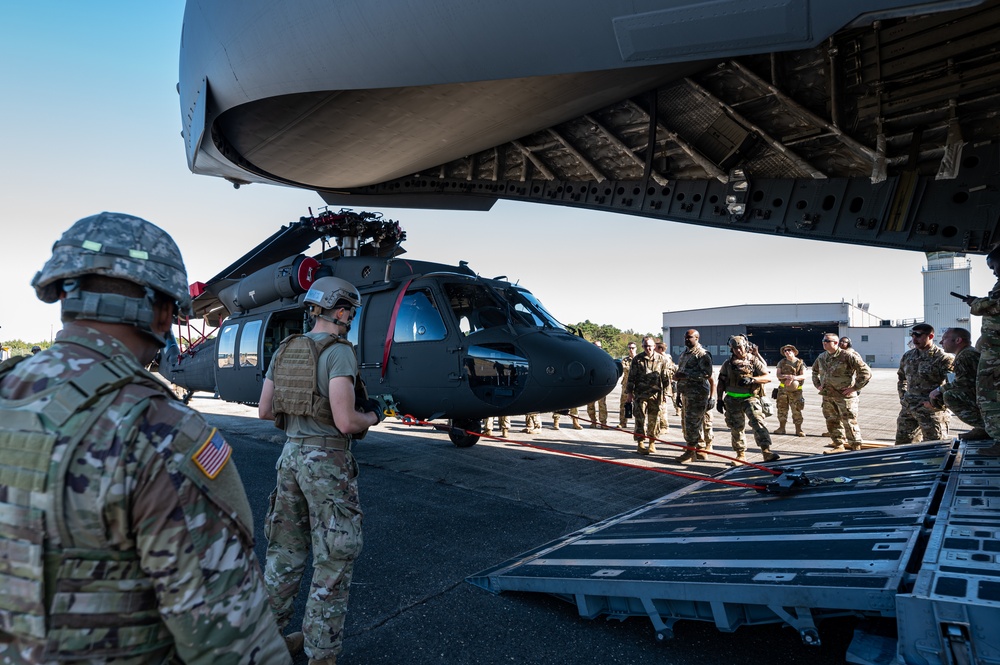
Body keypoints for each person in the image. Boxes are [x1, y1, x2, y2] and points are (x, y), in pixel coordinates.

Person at [0, 212, 289, 663]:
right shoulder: (158, 428)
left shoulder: (9, 390)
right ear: (159, 310)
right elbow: (229, 641)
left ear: (64, 296)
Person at [259, 275, 384, 665]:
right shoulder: (339, 351)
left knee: (283, 554)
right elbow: (346, 422)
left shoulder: (286, 349)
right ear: (342, 310)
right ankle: (321, 654)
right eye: (350, 312)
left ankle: (264, 644)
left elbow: (265, 411)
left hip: (290, 458)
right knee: (333, 559)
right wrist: (374, 415)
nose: (350, 318)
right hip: (326, 462)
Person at [716, 335, 780, 465]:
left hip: (750, 398)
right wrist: (719, 399)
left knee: (758, 423)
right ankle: (740, 455)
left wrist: (753, 379)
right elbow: (721, 382)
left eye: (740, 347)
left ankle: (766, 452)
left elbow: (767, 377)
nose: (738, 351)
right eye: (735, 349)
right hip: (732, 400)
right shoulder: (727, 364)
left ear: (745, 346)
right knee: (736, 427)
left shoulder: (754, 361)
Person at [962, 245, 1000, 455]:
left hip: (996, 354)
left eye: (994, 266)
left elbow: (993, 305)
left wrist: (977, 303)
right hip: (993, 350)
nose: (993, 271)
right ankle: (991, 431)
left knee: (991, 395)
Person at [812, 332, 872, 453]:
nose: (824, 343)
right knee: (832, 421)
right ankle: (839, 445)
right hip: (828, 396)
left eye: (827, 341)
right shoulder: (822, 357)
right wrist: (818, 385)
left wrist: (855, 388)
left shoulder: (847, 355)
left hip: (845, 397)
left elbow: (866, 372)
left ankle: (855, 448)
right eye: (823, 341)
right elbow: (814, 372)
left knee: (849, 422)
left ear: (835, 343)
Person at [896, 323, 953, 444]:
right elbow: (902, 378)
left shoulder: (943, 358)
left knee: (934, 447)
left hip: (931, 411)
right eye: (912, 335)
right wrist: (903, 397)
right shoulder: (908, 356)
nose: (914, 339)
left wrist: (938, 404)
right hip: (908, 409)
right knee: (902, 445)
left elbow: (953, 385)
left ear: (930, 336)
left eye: (918, 335)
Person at [927, 327, 987, 440]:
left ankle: (985, 427)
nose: (941, 342)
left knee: (950, 396)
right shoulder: (967, 353)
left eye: (944, 339)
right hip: (984, 396)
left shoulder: (966, 355)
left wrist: (939, 390)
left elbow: (964, 382)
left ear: (958, 340)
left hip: (987, 398)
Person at [674, 329, 715, 463]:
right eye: (685, 337)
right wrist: (678, 394)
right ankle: (700, 450)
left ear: (697, 338)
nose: (686, 339)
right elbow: (680, 373)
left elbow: (707, 374)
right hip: (686, 393)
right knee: (688, 423)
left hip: (697, 394)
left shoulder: (702, 354)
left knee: (692, 423)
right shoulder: (684, 354)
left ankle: (690, 451)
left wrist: (686, 376)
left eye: (690, 337)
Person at [625, 336, 673, 455]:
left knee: (654, 420)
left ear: (654, 346)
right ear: (642, 346)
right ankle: (640, 443)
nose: (648, 348)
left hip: (655, 395)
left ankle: (652, 443)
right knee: (639, 419)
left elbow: (666, 377)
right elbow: (631, 378)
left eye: (650, 346)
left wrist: (666, 393)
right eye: (646, 346)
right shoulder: (637, 359)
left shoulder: (662, 359)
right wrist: (629, 394)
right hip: (640, 395)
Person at [773, 344, 807, 436]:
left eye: (789, 350)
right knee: (782, 409)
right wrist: (786, 376)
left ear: (794, 351)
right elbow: (778, 375)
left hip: (796, 391)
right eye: (785, 351)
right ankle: (781, 428)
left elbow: (803, 375)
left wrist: (793, 378)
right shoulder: (782, 362)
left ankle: (798, 429)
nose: (787, 352)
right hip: (783, 390)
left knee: (796, 410)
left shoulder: (800, 363)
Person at [654, 340, 678, 430]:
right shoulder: (663, 357)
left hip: (667, 383)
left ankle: (664, 425)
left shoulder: (665, 359)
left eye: (655, 348)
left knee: (665, 403)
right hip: (663, 384)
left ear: (660, 349)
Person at [586, 341, 609, 428]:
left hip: (601, 385)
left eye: (600, 347)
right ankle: (593, 421)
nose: (598, 348)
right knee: (590, 405)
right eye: (596, 346)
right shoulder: (587, 358)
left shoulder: (605, 358)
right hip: (591, 385)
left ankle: (603, 422)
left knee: (602, 404)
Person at [618, 341, 638, 428]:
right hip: (626, 385)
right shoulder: (625, 360)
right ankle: (623, 422)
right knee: (624, 404)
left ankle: (639, 424)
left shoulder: (640, 359)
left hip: (638, 386)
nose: (631, 350)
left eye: (633, 348)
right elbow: (624, 368)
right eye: (629, 348)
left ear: (636, 348)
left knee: (639, 405)